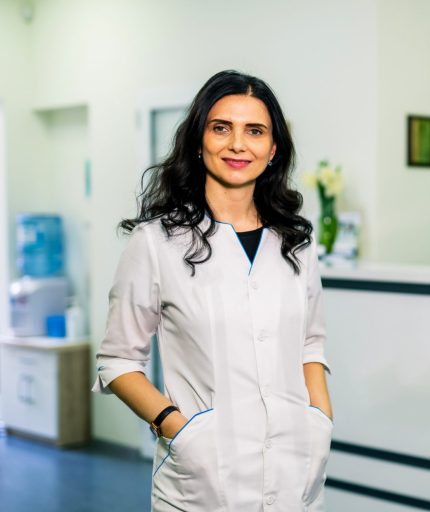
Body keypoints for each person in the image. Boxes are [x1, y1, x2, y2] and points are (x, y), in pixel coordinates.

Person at [92, 70, 333, 511]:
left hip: (295, 469)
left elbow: (311, 343)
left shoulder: (297, 243)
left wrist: (321, 419)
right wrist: (175, 427)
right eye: (221, 128)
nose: (238, 144)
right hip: (202, 480)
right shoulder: (156, 242)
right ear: (199, 142)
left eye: (255, 131)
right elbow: (118, 360)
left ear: (273, 149)